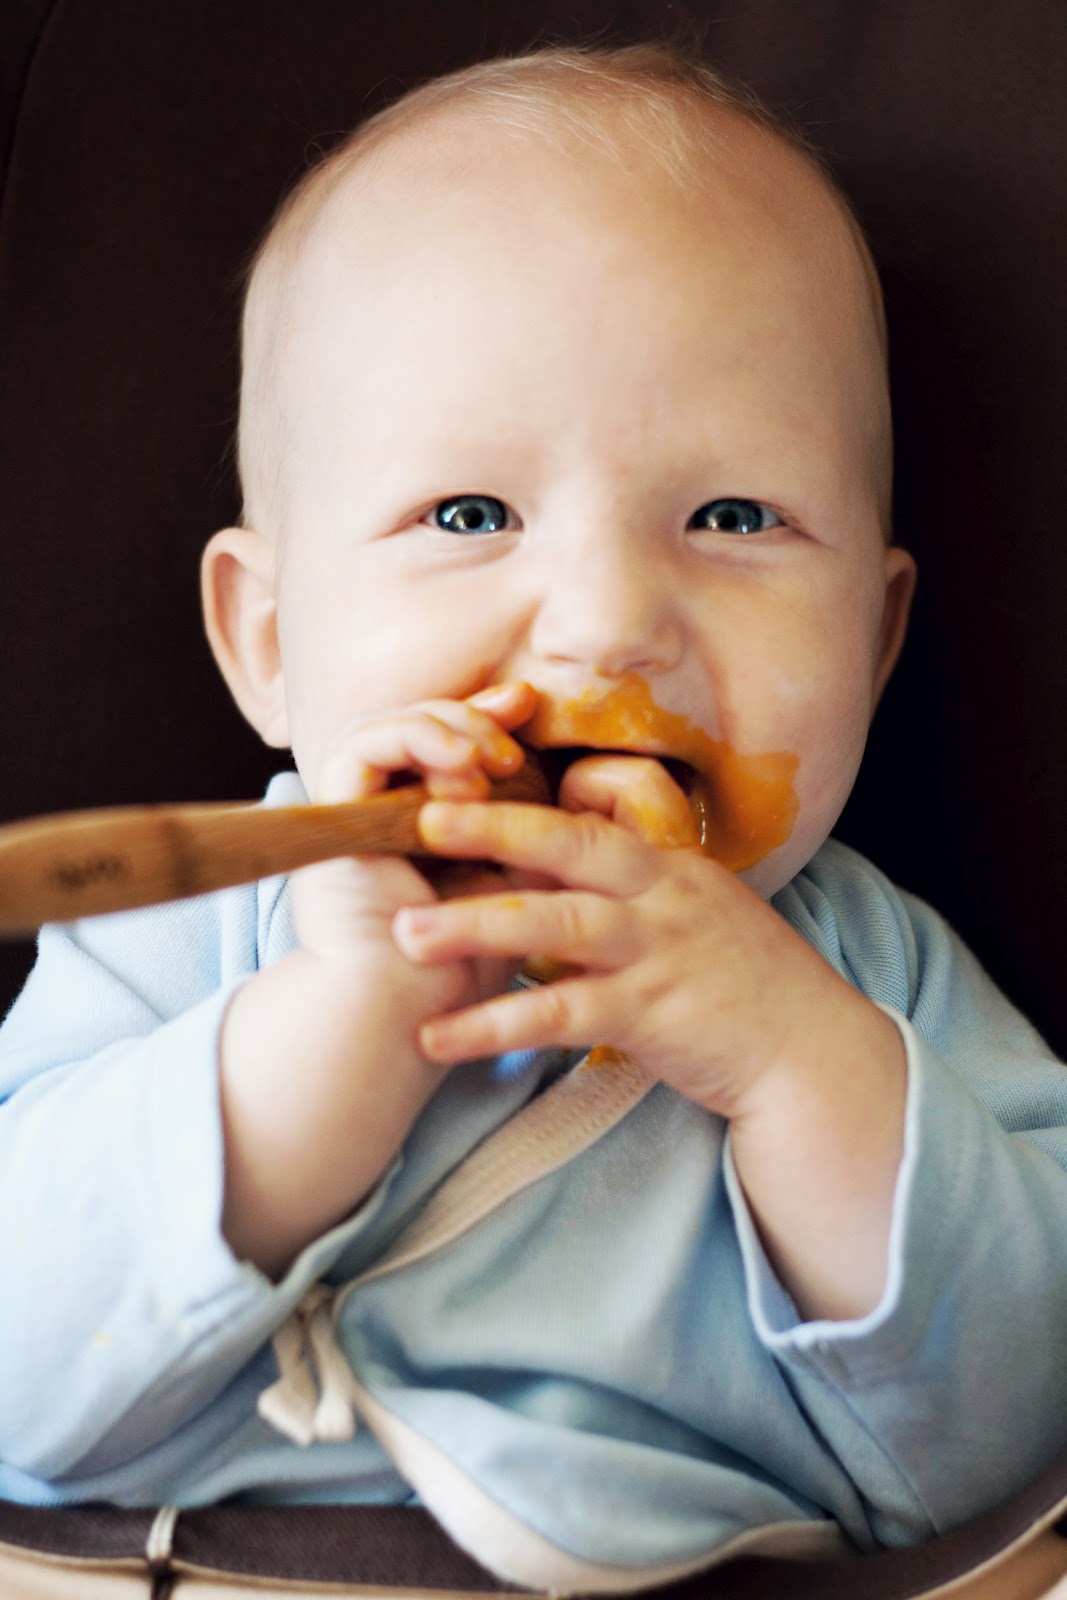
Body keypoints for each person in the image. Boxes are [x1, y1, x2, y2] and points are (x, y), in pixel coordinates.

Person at [2, 40, 1066, 1593]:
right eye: (471, 516)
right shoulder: (193, 923)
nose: (608, 624)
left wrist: (788, 1063)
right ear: (272, 642)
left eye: (733, 518)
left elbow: (1015, 1432)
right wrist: (338, 1030)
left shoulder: (862, 974)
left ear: (876, 640)